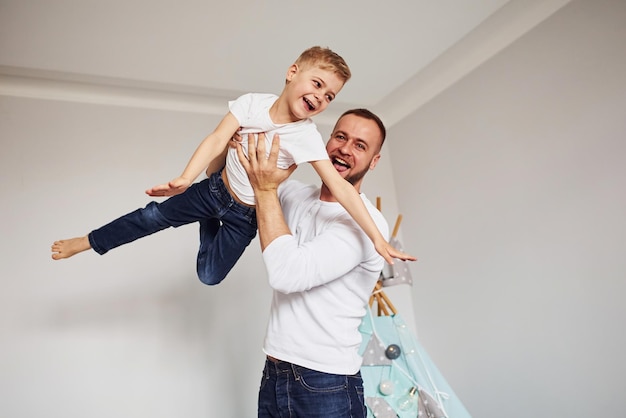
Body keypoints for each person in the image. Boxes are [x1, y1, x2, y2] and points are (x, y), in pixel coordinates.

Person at [50, 46, 413, 285]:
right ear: (292, 72)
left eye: (329, 96)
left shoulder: (307, 137)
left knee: (208, 276)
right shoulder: (252, 104)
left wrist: (378, 240)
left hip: (246, 215)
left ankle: (204, 221)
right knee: (151, 217)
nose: (319, 97)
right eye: (316, 84)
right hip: (213, 189)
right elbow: (215, 138)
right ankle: (88, 241)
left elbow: (342, 189)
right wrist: (184, 178)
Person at [236, 108, 413, 417]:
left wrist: (265, 189)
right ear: (326, 141)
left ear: (374, 161)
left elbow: (286, 275)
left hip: (325, 382)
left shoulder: (365, 223)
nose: (345, 148)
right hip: (276, 371)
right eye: (340, 136)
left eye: (360, 145)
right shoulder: (294, 195)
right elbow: (237, 184)